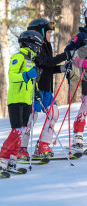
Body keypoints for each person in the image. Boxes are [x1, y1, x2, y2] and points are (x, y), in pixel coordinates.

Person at [0, 30, 44, 176]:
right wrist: (26, 75)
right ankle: (2, 160)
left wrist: (36, 91)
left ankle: (12, 160)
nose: (39, 49)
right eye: (38, 46)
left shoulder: (31, 61)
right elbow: (12, 77)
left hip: (27, 100)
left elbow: (32, 81)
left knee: (22, 131)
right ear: (32, 44)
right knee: (16, 130)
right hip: (16, 100)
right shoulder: (18, 57)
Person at [26, 18, 67, 159]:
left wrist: (62, 68)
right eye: (49, 32)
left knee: (54, 113)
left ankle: (43, 145)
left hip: (47, 89)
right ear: (41, 32)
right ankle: (21, 148)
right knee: (31, 117)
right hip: (36, 89)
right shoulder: (34, 47)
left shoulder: (47, 46)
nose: (51, 34)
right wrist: (65, 55)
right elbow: (46, 62)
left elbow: (48, 67)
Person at [62, 10, 87, 153]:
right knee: (86, 104)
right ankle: (78, 136)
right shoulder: (81, 36)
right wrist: (81, 62)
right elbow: (69, 51)